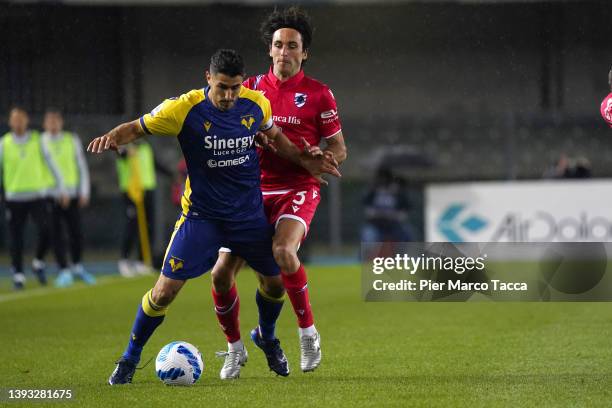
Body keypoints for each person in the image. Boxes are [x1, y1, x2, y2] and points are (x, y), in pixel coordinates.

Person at [88, 49, 340, 384]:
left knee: (277, 283)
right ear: (208, 78)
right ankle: (129, 359)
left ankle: (267, 337)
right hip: (201, 218)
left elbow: (276, 136)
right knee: (164, 291)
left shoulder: (256, 103)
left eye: (235, 88)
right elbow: (137, 127)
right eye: (222, 87)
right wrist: (112, 138)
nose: (229, 95)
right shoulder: (183, 108)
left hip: (247, 217)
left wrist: (303, 160)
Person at [211, 6, 347, 373]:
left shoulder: (319, 94)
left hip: (297, 186)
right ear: (269, 50)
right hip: (250, 190)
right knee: (221, 273)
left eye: (292, 46)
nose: (284, 51)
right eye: (278, 44)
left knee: (284, 252)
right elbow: (222, 122)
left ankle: (308, 335)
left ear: (304, 53)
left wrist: (323, 154)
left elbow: (339, 148)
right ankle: (236, 347)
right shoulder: (250, 88)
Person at [0, 107, 69, 290]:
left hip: (37, 196)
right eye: (14, 119)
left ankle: (38, 261)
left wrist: (62, 189)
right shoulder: (4, 143)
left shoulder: (38, 141)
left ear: (27, 121)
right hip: (14, 197)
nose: (18, 122)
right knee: (16, 237)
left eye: (21, 119)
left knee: (48, 230)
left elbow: (52, 165)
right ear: (10, 122)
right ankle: (18, 274)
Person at [41, 109, 96, 287]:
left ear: (61, 122)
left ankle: (77, 267)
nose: (53, 124)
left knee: (76, 232)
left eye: (56, 121)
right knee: (56, 234)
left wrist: (84, 191)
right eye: (50, 121)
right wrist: (60, 191)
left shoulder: (71, 140)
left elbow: (81, 165)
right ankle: (64, 270)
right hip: (51, 195)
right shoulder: (42, 141)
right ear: (45, 124)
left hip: (72, 194)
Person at [361, 168, 412, 243]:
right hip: (376, 225)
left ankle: (404, 254)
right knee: (368, 236)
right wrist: (381, 215)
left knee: (407, 235)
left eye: (385, 180)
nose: (383, 182)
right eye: (381, 180)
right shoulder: (373, 192)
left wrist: (393, 215)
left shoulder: (398, 194)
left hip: (395, 226)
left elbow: (404, 215)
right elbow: (368, 212)